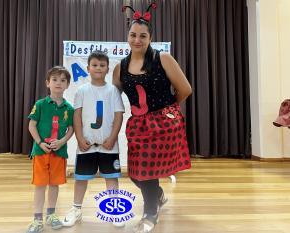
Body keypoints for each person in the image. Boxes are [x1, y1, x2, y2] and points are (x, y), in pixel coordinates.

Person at [113, 3, 192, 233]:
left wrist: (168, 110)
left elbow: (185, 89)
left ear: (150, 38)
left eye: (143, 36)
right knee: (136, 174)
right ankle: (157, 195)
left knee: (147, 172)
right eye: (133, 35)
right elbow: (113, 97)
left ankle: (150, 213)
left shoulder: (163, 58)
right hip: (138, 125)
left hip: (163, 123)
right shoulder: (121, 67)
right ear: (127, 36)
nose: (137, 40)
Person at [62, 51, 125, 228]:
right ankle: (76, 209)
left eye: (102, 65)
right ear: (88, 68)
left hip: (108, 145)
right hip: (87, 144)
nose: (98, 68)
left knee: (111, 178)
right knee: (81, 178)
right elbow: (77, 116)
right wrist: (80, 139)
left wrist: (112, 138)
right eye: (95, 65)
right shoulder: (82, 91)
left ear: (107, 69)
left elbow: (118, 116)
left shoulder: (113, 91)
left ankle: (114, 209)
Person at [26, 66, 74, 233]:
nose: (58, 83)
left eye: (62, 80)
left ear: (67, 84)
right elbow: (31, 125)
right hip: (40, 152)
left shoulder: (69, 108)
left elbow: (71, 129)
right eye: (54, 80)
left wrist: (61, 142)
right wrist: (40, 143)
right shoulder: (40, 104)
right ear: (48, 83)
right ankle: (37, 219)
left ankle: (51, 215)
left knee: (54, 184)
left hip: (58, 153)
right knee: (40, 185)